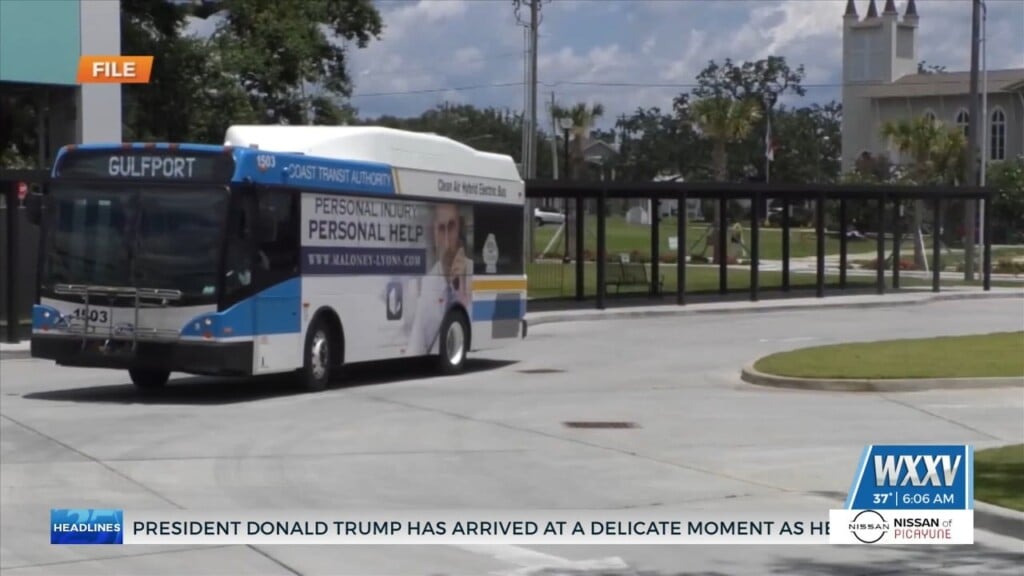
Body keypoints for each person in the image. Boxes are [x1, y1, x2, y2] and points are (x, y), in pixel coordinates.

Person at [408, 203, 472, 355]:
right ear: (434, 234)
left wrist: (463, 292)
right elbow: (415, 348)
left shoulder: (472, 272)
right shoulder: (424, 284)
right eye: (441, 229)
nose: (447, 240)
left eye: (452, 227)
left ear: (459, 230)